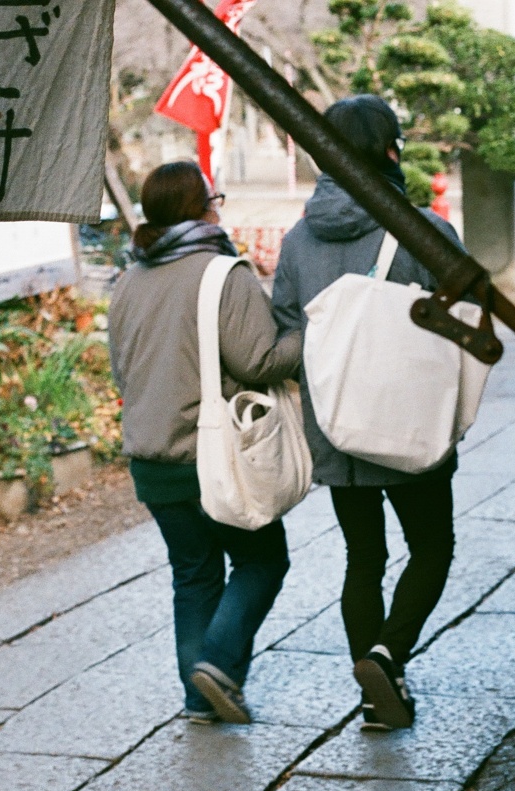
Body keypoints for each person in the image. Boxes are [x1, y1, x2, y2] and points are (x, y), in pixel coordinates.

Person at [272, 95, 462, 730]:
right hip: (407, 421)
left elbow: (286, 326)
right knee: (432, 546)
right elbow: (464, 314)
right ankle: (388, 654)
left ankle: (373, 690)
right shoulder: (424, 230)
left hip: (335, 422)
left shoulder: (299, 238)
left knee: (364, 557)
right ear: (390, 149)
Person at [109, 161, 301, 725]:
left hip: (150, 459)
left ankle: (200, 699)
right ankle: (216, 664)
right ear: (202, 207)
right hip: (212, 459)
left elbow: (123, 369)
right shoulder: (222, 274)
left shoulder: (129, 280)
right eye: (212, 197)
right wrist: (303, 338)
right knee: (263, 560)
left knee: (193, 576)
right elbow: (259, 360)